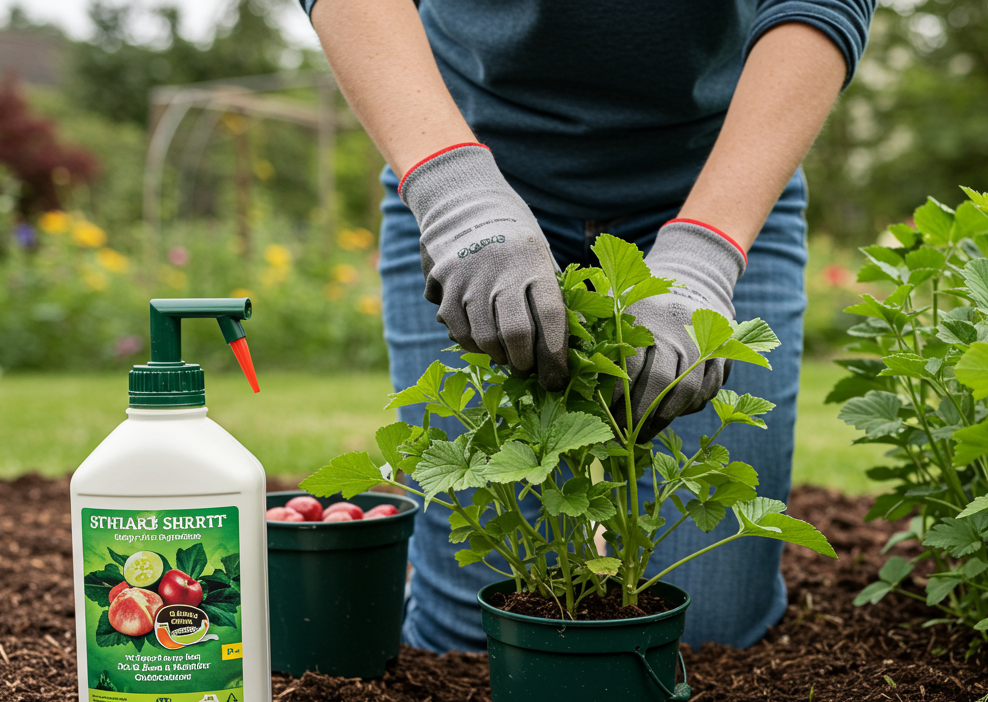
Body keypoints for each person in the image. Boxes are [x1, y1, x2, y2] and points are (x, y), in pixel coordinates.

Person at [300, 0, 874, 652]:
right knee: (473, 637)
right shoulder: (458, 184)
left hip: (722, 175)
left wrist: (705, 254)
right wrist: (454, 191)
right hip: (460, 157)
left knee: (703, 633)